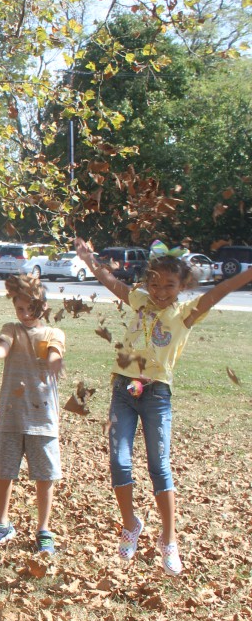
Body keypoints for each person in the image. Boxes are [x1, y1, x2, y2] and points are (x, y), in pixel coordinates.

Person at [77, 237, 252, 576]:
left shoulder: (186, 314)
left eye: (169, 285)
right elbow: (109, 281)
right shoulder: (140, 300)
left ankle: (168, 540)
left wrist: (247, 275)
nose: (160, 290)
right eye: (154, 282)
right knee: (119, 461)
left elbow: (220, 291)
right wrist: (88, 259)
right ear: (147, 281)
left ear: (182, 285)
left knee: (159, 467)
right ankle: (131, 524)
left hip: (157, 396)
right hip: (123, 390)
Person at [0, 274, 65, 555]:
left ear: (44, 307)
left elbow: (54, 353)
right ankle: (2, 523)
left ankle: (44, 529)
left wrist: (53, 363)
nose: (25, 315)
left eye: (31, 309)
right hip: (11, 416)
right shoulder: (11, 329)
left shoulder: (53, 333)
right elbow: (4, 346)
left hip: (43, 419)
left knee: (44, 476)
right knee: (5, 471)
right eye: (20, 309)